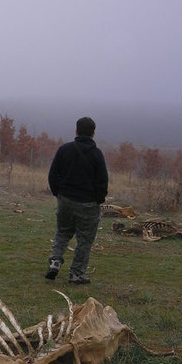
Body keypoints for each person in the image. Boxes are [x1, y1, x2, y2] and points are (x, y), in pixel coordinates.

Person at [45, 116, 108, 284]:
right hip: (88, 203)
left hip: (65, 199)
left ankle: (55, 262)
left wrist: (58, 193)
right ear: (93, 133)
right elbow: (103, 181)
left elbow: (52, 175)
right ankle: (76, 274)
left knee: (63, 232)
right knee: (85, 239)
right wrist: (98, 200)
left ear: (76, 131)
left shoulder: (64, 149)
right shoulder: (97, 154)